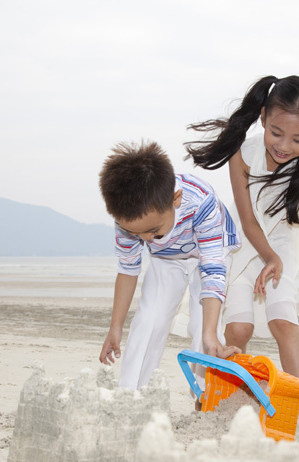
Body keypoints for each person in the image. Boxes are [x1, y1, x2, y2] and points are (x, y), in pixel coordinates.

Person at [186, 75, 299, 383]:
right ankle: (222, 394)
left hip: (282, 249)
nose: (284, 146)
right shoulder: (243, 154)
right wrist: (268, 256)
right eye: (276, 133)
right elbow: (247, 221)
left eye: (298, 139)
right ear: (263, 118)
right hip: (242, 247)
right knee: (238, 329)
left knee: (282, 320)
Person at [98, 140, 241, 390]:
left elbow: (212, 270)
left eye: (153, 229)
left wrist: (208, 333)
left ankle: (205, 397)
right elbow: (128, 269)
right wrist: (115, 328)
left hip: (209, 252)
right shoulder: (128, 216)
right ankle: (131, 395)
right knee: (149, 318)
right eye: (136, 233)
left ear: (176, 199)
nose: (145, 239)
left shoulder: (200, 201)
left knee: (204, 327)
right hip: (165, 256)